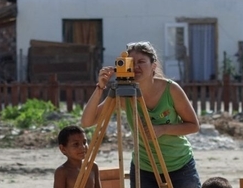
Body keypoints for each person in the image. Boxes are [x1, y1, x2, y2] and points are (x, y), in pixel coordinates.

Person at [81, 41, 201, 188]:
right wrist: (100, 87)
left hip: (180, 165)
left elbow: (193, 125)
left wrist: (162, 129)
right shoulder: (125, 94)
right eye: (131, 62)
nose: (136, 67)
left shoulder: (171, 90)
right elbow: (87, 121)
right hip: (144, 168)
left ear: (153, 66)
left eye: (141, 62)